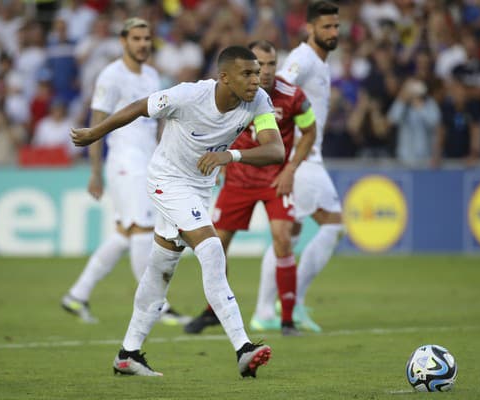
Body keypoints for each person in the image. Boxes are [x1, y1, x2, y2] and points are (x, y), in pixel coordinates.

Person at [70, 45, 285, 377]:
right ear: (224, 77)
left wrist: (232, 157)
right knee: (212, 249)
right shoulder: (188, 95)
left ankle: (127, 355)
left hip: (198, 189)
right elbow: (140, 107)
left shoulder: (258, 101)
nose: (256, 80)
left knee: (161, 269)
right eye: (248, 73)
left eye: (257, 73)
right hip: (166, 179)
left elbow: (275, 149)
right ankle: (243, 348)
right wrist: (95, 133)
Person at [183, 40, 316, 336]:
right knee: (214, 246)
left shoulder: (293, 96)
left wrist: (292, 169)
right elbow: (213, 125)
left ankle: (288, 319)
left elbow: (310, 131)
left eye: (271, 64)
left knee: (282, 239)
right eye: (260, 65)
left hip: (274, 180)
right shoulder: (232, 94)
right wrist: (218, 160)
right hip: (239, 179)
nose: (265, 72)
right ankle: (212, 311)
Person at [61, 18, 189, 326]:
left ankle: (77, 296)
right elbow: (96, 126)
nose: (143, 44)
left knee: (123, 234)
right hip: (124, 164)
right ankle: (156, 306)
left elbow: (155, 122)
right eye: (137, 38)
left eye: (147, 38)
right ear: (123, 41)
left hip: (146, 162)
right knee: (143, 232)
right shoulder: (111, 76)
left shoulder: (151, 74)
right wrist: (95, 172)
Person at [255, 0, 342, 333]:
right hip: (301, 158)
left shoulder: (319, 61)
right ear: (310, 28)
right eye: (327, 27)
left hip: (303, 156)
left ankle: (265, 310)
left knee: (287, 235)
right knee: (333, 225)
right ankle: (295, 301)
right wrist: (280, 153)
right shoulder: (302, 59)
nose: (333, 32)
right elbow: (273, 87)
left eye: (336, 26)